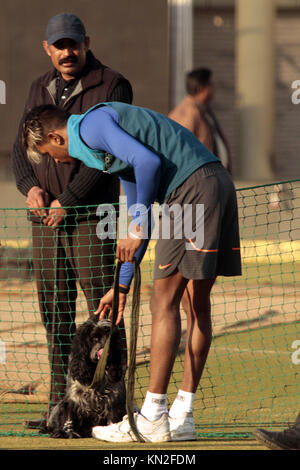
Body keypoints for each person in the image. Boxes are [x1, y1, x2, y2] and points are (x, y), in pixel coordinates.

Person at [22, 101, 241, 442]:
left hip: (191, 191)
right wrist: (120, 287)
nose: (53, 160)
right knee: (194, 305)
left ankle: (152, 415)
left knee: (162, 303)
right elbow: (144, 207)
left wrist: (136, 228)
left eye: (47, 152)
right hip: (216, 182)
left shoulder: (92, 126)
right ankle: (183, 416)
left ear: (55, 137)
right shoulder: (109, 153)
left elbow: (149, 164)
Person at [12, 13, 133, 430]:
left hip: (91, 215)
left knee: (105, 313)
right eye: (59, 45)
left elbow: (106, 155)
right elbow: (20, 147)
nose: (67, 52)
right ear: (47, 48)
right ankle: (59, 409)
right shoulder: (36, 87)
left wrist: (69, 198)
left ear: (87, 42)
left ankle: (116, 410)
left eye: (74, 43)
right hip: (45, 219)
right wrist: (30, 188)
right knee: (55, 313)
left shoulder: (111, 84)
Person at [168, 68, 233, 175]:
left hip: (213, 176)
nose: (214, 87)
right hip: (201, 177)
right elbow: (178, 151)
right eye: (211, 84)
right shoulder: (188, 112)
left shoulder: (203, 109)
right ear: (201, 88)